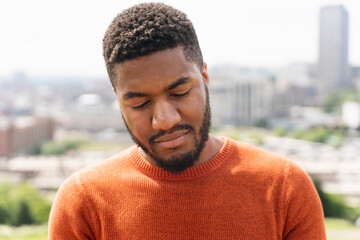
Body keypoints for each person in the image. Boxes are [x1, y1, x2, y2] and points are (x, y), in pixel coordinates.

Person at [48, 2, 326, 239]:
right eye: (139, 103)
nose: (165, 120)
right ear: (118, 100)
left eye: (180, 92)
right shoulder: (82, 201)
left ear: (205, 79)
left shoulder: (284, 187)